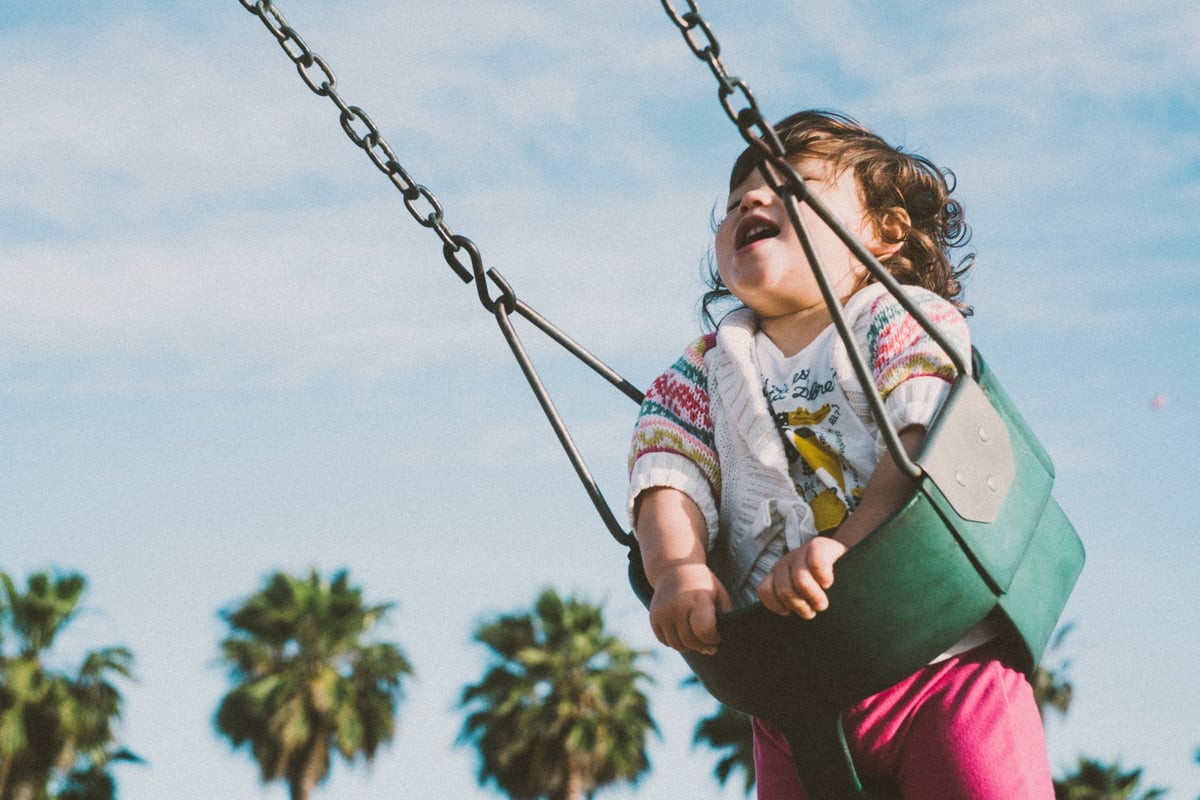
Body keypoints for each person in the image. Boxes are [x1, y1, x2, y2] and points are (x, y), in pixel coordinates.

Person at [626, 110, 1054, 799]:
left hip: (941, 662)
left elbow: (923, 439)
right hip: (797, 700)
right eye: (737, 201)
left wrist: (851, 544)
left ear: (883, 232)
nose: (752, 202)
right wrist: (676, 566)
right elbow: (666, 472)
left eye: (789, 186)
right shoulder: (705, 367)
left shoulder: (899, 318)